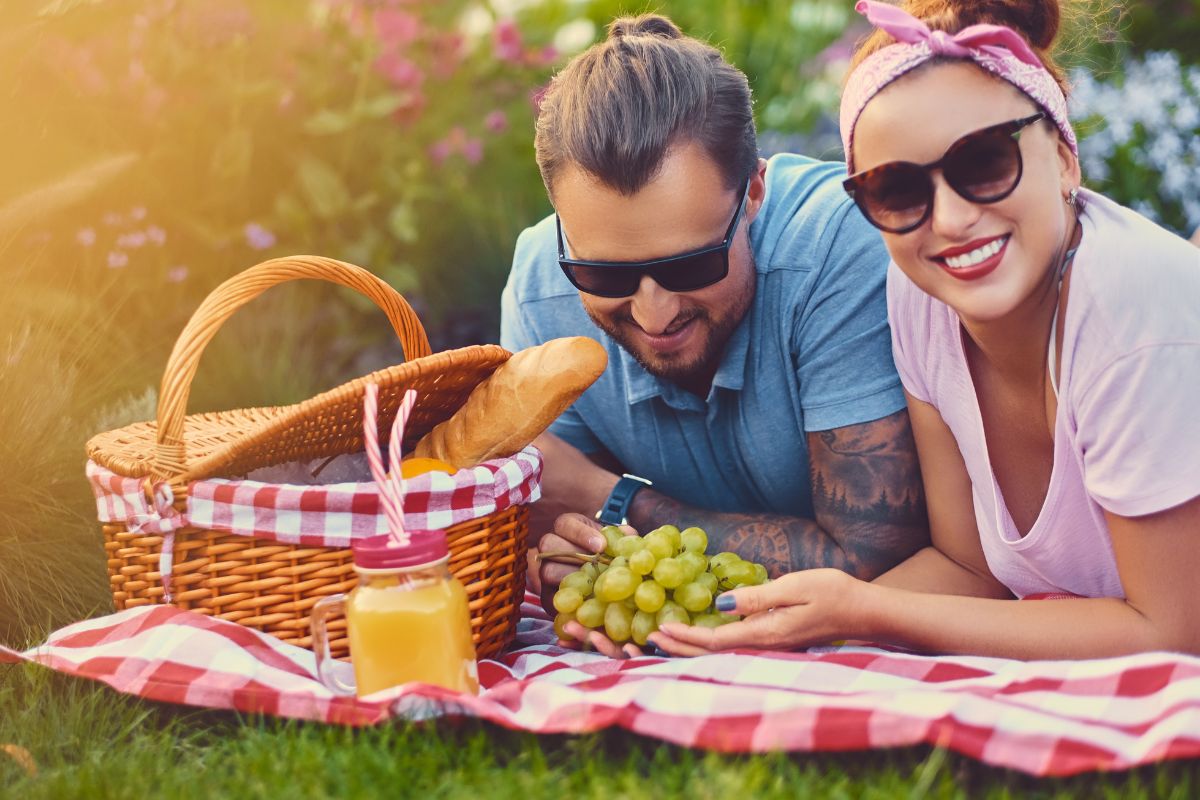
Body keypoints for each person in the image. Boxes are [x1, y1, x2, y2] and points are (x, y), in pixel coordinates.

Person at [651, 0, 1200, 660]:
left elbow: (1169, 632)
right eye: (897, 191)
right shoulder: (923, 299)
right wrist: (773, 632)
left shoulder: (1129, 310)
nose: (950, 219)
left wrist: (871, 608)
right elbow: (970, 570)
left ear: (1064, 159)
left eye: (986, 163)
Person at [499, 14, 929, 653]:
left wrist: (611, 500)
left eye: (690, 264)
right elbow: (553, 539)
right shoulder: (542, 286)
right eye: (603, 273)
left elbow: (875, 561)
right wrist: (569, 556)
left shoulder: (838, 251)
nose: (653, 311)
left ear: (754, 190)